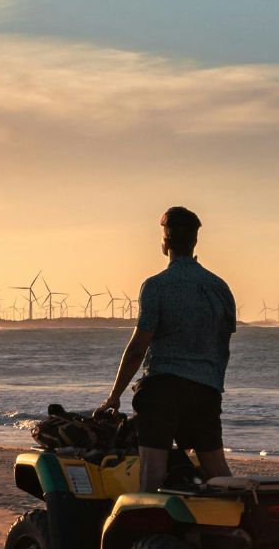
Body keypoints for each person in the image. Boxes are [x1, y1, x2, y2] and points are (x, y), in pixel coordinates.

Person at [96, 205, 236, 492]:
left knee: (152, 471)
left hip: (163, 390)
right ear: (195, 241)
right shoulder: (220, 287)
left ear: (166, 241)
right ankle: (240, 522)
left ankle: (150, 531)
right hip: (206, 390)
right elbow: (224, 344)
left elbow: (138, 347)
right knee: (216, 470)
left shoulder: (156, 286)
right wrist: (211, 385)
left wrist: (114, 396)